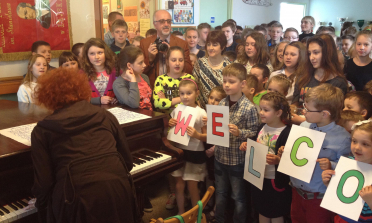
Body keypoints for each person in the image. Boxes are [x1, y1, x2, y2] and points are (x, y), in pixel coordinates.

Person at [31, 68, 137, 223]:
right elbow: (127, 162)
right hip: (117, 191)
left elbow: (44, 185)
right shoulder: (105, 116)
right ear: (82, 90)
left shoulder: (42, 130)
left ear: (48, 97)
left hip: (74, 200)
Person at [279, 84, 351, 223]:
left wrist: (332, 164)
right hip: (297, 192)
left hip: (319, 198)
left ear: (324, 114)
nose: (303, 112)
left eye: (307, 109)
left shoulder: (342, 138)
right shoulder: (304, 126)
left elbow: (347, 170)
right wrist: (286, 151)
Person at [205, 63, 259, 223]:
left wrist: (240, 132)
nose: (227, 85)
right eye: (225, 81)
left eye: (231, 81)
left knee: (238, 197)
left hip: (237, 161)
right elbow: (217, 132)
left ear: (243, 84)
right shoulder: (221, 104)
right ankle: (219, 219)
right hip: (220, 158)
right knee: (220, 193)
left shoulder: (249, 108)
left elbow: (255, 133)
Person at [240, 92, 292, 223]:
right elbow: (257, 143)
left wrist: (278, 160)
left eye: (266, 110)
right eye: (261, 109)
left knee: (275, 213)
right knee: (261, 209)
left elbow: (291, 162)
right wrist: (247, 144)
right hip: (258, 177)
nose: (261, 112)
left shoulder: (287, 132)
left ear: (278, 113)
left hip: (275, 180)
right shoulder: (262, 126)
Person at [169, 79, 207, 215]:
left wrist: (197, 135)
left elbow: (207, 136)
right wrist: (171, 123)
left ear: (197, 93)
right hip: (179, 151)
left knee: (192, 186)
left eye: (189, 93)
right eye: (182, 93)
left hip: (195, 152)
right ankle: (181, 213)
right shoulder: (177, 109)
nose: (185, 97)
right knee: (179, 185)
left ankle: (195, 215)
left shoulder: (201, 112)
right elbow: (173, 129)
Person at [322, 121, 372, 223]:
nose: (357, 147)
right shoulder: (348, 162)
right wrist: (329, 184)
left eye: (365, 144)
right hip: (343, 218)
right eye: (354, 141)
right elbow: (342, 194)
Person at [139, 10, 192, 87]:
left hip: (176, 88)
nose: (166, 24)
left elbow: (189, 70)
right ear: (154, 24)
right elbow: (139, 72)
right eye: (162, 21)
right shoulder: (145, 43)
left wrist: (172, 56)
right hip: (153, 90)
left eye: (168, 21)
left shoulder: (182, 44)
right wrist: (150, 60)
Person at [292, 34, 348, 107]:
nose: (311, 57)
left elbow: (333, 114)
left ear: (327, 53)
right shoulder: (303, 76)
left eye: (316, 52)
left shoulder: (338, 83)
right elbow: (294, 103)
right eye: (309, 53)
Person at [193, 31, 231, 109]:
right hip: (202, 109)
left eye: (215, 45)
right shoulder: (200, 63)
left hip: (222, 110)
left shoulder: (229, 65)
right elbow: (194, 85)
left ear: (223, 47)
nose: (210, 48)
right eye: (208, 44)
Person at [152, 46, 194, 115]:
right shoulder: (160, 79)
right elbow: (157, 103)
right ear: (167, 61)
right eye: (173, 60)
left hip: (185, 118)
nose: (177, 63)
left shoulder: (189, 79)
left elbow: (191, 102)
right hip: (165, 120)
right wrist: (182, 99)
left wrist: (167, 103)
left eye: (180, 60)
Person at [81, 38, 117, 105]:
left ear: (106, 53)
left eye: (100, 53)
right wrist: (98, 100)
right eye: (92, 54)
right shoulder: (81, 74)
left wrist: (117, 99)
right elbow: (77, 100)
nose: (96, 57)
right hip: (91, 112)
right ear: (87, 56)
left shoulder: (115, 72)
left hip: (112, 111)